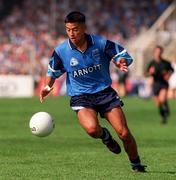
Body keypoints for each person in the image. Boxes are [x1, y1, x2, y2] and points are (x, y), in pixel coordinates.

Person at [40, 11, 146, 172]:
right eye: (68, 29)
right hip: (80, 96)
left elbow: (120, 54)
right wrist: (47, 87)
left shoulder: (100, 43)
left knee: (124, 133)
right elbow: (52, 72)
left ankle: (136, 163)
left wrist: (120, 61)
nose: (71, 33)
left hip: (104, 93)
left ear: (83, 28)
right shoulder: (61, 51)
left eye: (75, 29)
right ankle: (106, 137)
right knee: (92, 129)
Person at [147, 45, 174, 124]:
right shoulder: (152, 63)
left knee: (162, 99)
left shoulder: (166, 63)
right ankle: (163, 116)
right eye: (156, 52)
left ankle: (166, 108)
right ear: (154, 53)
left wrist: (168, 75)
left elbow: (171, 70)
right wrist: (150, 72)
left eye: (159, 52)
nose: (158, 53)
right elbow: (146, 73)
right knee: (158, 104)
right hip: (155, 84)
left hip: (163, 84)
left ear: (161, 53)